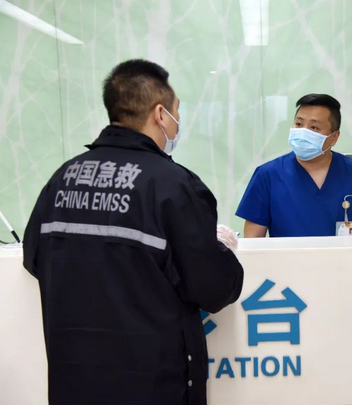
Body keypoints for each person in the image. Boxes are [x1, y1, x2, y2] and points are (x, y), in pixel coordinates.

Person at [23, 59, 244, 405]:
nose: (178, 120)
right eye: (177, 111)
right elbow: (213, 288)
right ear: (160, 114)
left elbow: (34, 257)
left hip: (75, 382)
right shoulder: (173, 186)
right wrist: (219, 249)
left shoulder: (62, 179)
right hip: (154, 384)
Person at [236, 93, 352, 237]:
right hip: (287, 257)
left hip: (343, 257)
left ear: (334, 137)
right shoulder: (267, 175)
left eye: (314, 127)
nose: (303, 132)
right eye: (299, 124)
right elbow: (253, 240)